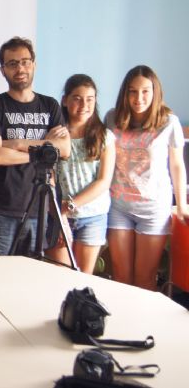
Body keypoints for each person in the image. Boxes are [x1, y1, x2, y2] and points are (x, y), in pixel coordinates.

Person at [0, 36, 70, 257]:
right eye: (12, 63)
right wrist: (43, 152)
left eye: (25, 61)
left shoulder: (50, 105)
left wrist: (17, 145)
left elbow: (64, 150)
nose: (20, 68)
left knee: (29, 279)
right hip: (1, 208)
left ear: (34, 65)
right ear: (3, 70)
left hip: (38, 209)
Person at [106, 65, 187, 290]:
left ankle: (141, 326)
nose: (138, 98)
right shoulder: (112, 118)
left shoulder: (169, 122)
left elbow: (177, 165)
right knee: (121, 278)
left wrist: (181, 206)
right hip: (118, 206)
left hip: (153, 209)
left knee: (144, 280)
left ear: (155, 92)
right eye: (132, 91)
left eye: (145, 91)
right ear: (125, 93)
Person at [48, 74, 116, 273]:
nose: (84, 104)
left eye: (90, 99)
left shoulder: (104, 136)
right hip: (58, 214)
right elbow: (48, 175)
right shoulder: (55, 134)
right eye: (77, 98)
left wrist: (70, 205)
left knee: (84, 278)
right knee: (62, 274)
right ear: (65, 100)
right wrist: (60, 214)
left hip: (92, 215)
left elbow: (103, 181)